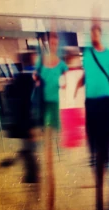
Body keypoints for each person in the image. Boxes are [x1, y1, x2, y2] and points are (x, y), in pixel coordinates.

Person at [83, 20, 109, 202]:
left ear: (100, 35)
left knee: (103, 135)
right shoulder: (87, 54)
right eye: (91, 35)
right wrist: (78, 84)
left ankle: (103, 162)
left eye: (95, 34)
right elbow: (86, 73)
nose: (93, 38)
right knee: (91, 134)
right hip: (90, 100)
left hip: (105, 100)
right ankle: (96, 158)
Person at [36, 31, 68, 196]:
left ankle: (52, 156)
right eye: (51, 42)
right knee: (49, 132)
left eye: (56, 42)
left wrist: (64, 84)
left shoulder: (61, 63)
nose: (53, 45)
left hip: (56, 103)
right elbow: (36, 76)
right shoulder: (42, 61)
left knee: (55, 130)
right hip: (47, 103)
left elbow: (67, 77)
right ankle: (49, 161)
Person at [1, 51, 40, 183]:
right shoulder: (29, 80)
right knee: (30, 149)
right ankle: (30, 175)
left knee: (29, 148)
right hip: (27, 121)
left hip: (21, 121)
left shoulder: (18, 78)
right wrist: (31, 126)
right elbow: (28, 104)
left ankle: (26, 171)